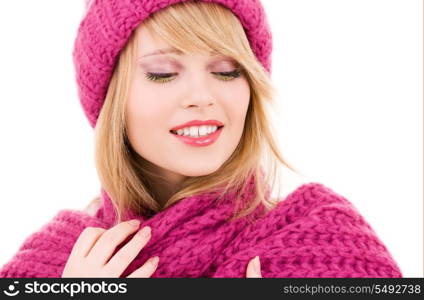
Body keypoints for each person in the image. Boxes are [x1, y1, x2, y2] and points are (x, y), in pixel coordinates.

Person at [0, 0, 402, 278]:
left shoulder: (323, 245)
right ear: (112, 101)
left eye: (227, 70)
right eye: (162, 73)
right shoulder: (56, 263)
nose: (202, 97)